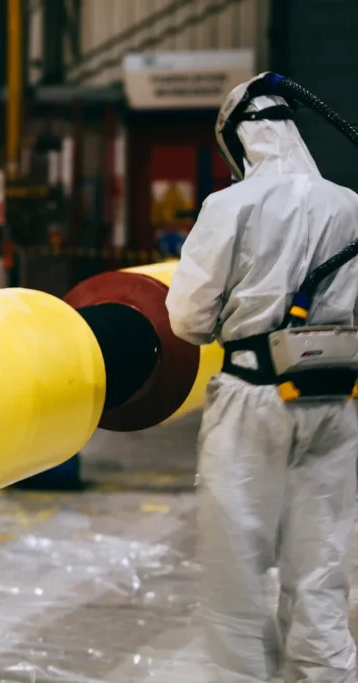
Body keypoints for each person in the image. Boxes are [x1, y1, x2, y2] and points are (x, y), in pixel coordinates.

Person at [166, 77, 358, 683]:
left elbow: (188, 318)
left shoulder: (231, 207)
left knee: (236, 575)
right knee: (321, 573)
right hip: (339, 398)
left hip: (255, 396)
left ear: (241, 141)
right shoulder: (349, 205)